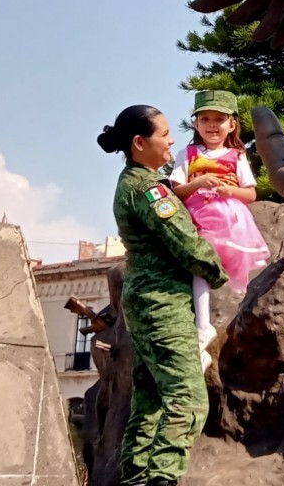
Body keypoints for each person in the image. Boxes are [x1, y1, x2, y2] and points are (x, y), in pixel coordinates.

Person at [97, 105, 229, 486]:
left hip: (144, 302)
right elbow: (184, 242)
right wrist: (220, 270)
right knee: (188, 398)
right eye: (164, 133)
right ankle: (162, 478)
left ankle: (137, 478)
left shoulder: (133, 183)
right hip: (162, 303)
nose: (172, 140)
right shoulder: (149, 190)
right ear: (140, 143)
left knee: (151, 400)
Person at [170, 90, 270, 366]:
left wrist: (229, 190)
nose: (212, 125)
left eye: (219, 119)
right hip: (196, 215)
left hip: (226, 217)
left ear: (232, 124)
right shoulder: (187, 154)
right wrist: (198, 184)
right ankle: (203, 326)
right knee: (199, 268)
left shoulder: (236, 155)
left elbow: (250, 194)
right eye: (205, 119)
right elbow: (176, 190)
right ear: (196, 124)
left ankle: (225, 324)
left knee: (222, 270)